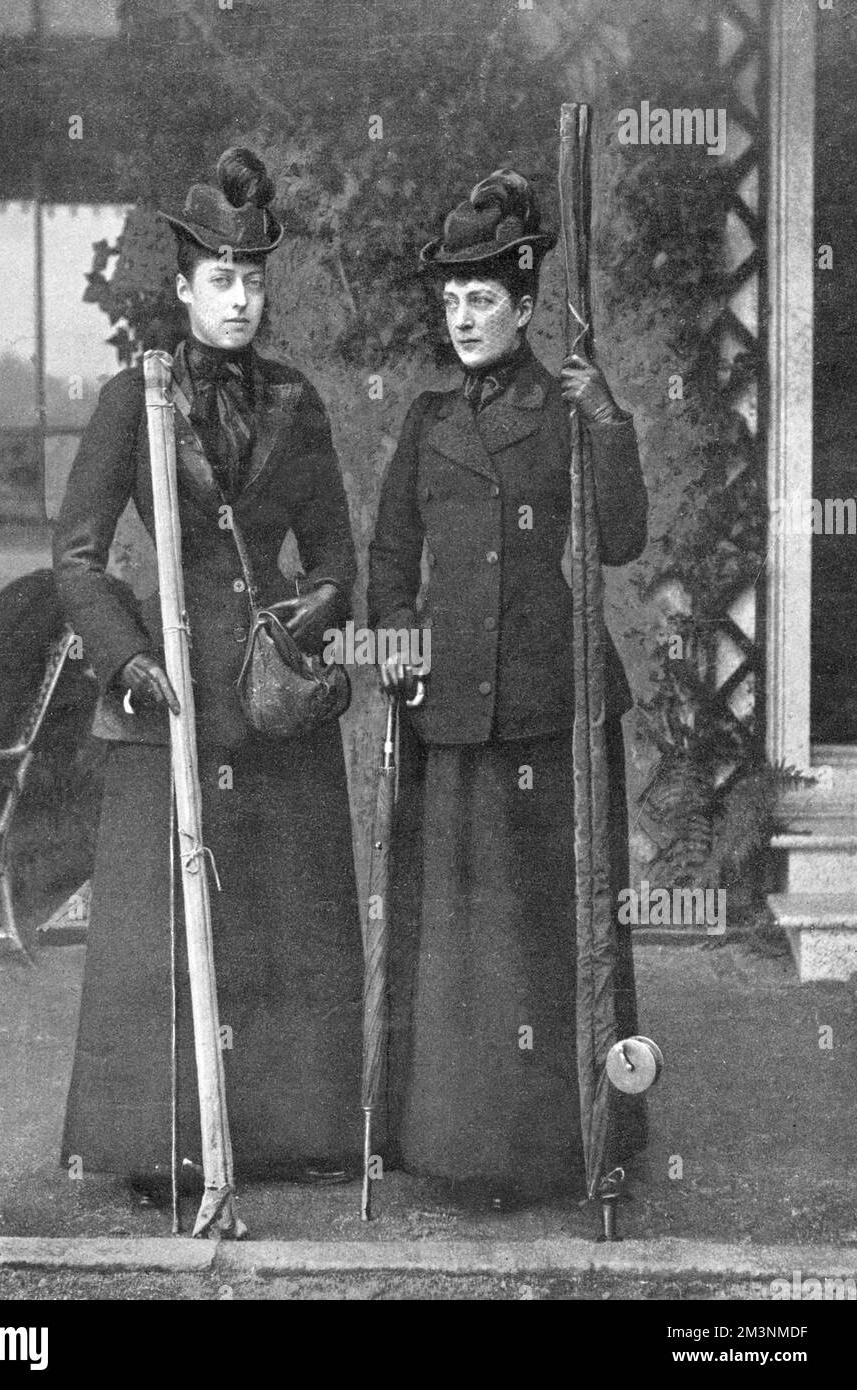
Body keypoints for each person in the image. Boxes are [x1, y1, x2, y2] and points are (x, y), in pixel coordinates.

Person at [54, 148, 362, 1203]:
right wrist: (128, 656)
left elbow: (335, 559)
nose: (240, 299)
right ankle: (161, 1145)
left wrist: (308, 614)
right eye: (221, 280)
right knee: (165, 927)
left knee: (283, 916)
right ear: (184, 286)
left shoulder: (298, 403)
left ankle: (288, 1133)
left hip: (271, 700)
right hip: (169, 693)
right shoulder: (129, 399)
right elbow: (78, 558)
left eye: (255, 280)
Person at [368, 168, 648, 1210]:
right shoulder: (427, 417)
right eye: (451, 300)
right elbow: (392, 550)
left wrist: (610, 420)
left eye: (483, 298)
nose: (464, 316)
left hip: (548, 702)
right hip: (451, 705)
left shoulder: (567, 405)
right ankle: (458, 1143)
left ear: (526, 305)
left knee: (553, 925)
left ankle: (568, 1139)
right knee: (461, 937)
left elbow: (620, 538)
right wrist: (394, 627)